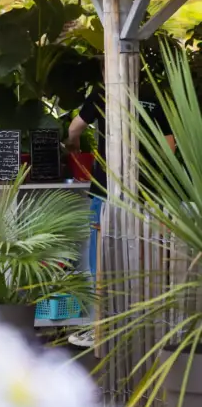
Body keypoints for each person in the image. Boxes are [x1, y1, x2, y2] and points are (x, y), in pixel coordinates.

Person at [66, 72, 174, 348]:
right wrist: (151, 171)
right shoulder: (152, 96)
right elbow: (170, 143)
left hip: (106, 188)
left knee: (99, 256)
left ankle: (100, 327)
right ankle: (143, 324)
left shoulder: (103, 93)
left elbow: (75, 128)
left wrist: (75, 146)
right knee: (145, 254)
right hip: (147, 193)